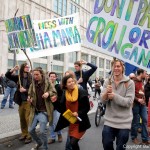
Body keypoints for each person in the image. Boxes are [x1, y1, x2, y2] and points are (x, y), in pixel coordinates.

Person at [101, 59, 135, 150]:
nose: (116, 68)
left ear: (122, 68)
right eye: (114, 66)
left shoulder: (130, 83)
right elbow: (102, 101)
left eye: (118, 66)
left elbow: (129, 102)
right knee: (106, 144)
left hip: (124, 122)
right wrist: (106, 93)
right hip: (109, 121)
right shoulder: (107, 81)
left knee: (120, 147)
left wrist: (114, 96)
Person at [51, 75, 91, 150]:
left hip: (80, 123)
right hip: (71, 122)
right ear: (65, 85)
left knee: (73, 142)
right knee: (73, 144)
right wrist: (55, 102)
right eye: (69, 82)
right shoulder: (65, 93)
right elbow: (61, 109)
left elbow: (87, 108)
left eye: (72, 81)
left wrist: (78, 113)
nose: (72, 83)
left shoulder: (81, 92)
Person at [28, 68, 57, 150]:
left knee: (42, 131)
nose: (35, 76)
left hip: (44, 111)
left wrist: (48, 93)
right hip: (34, 111)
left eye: (37, 74)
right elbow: (29, 94)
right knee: (30, 130)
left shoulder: (47, 83)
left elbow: (54, 92)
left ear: (42, 74)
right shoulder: (32, 84)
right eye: (34, 74)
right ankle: (39, 142)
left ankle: (45, 147)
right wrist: (29, 98)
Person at [5, 63, 32, 144]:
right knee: (22, 119)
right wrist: (13, 69)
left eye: (28, 67)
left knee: (28, 119)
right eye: (26, 67)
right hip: (20, 101)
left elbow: (33, 89)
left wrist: (25, 90)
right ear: (23, 68)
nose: (27, 68)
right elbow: (7, 75)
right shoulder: (18, 77)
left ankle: (29, 136)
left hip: (28, 101)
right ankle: (24, 134)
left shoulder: (31, 78)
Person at [131, 69, 150, 145]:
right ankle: (134, 137)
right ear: (141, 73)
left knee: (145, 120)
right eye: (145, 73)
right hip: (135, 105)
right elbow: (131, 94)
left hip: (142, 105)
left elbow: (142, 92)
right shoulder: (132, 82)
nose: (146, 74)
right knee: (135, 122)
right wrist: (138, 99)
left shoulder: (142, 81)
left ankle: (145, 139)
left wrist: (144, 99)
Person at [48, 72, 63, 144]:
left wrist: (56, 97)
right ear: (49, 77)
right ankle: (52, 137)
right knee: (50, 123)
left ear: (56, 77)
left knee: (56, 123)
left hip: (56, 107)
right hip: (48, 107)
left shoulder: (58, 86)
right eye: (51, 76)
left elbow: (61, 96)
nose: (52, 78)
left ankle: (59, 134)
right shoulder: (46, 86)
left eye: (54, 77)